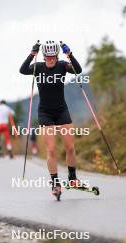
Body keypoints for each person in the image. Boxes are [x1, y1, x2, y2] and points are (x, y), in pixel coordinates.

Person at [19, 40, 82, 197]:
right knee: (51, 150)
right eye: (48, 56)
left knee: (70, 147)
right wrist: (32, 54)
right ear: (44, 56)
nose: (51, 59)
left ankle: (72, 178)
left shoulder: (62, 65)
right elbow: (22, 70)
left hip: (62, 111)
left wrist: (70, 54)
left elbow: (77, 70)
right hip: (45, 113)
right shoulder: (37, 67)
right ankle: (55, 184)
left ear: (57, 55)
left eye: (53, 56)